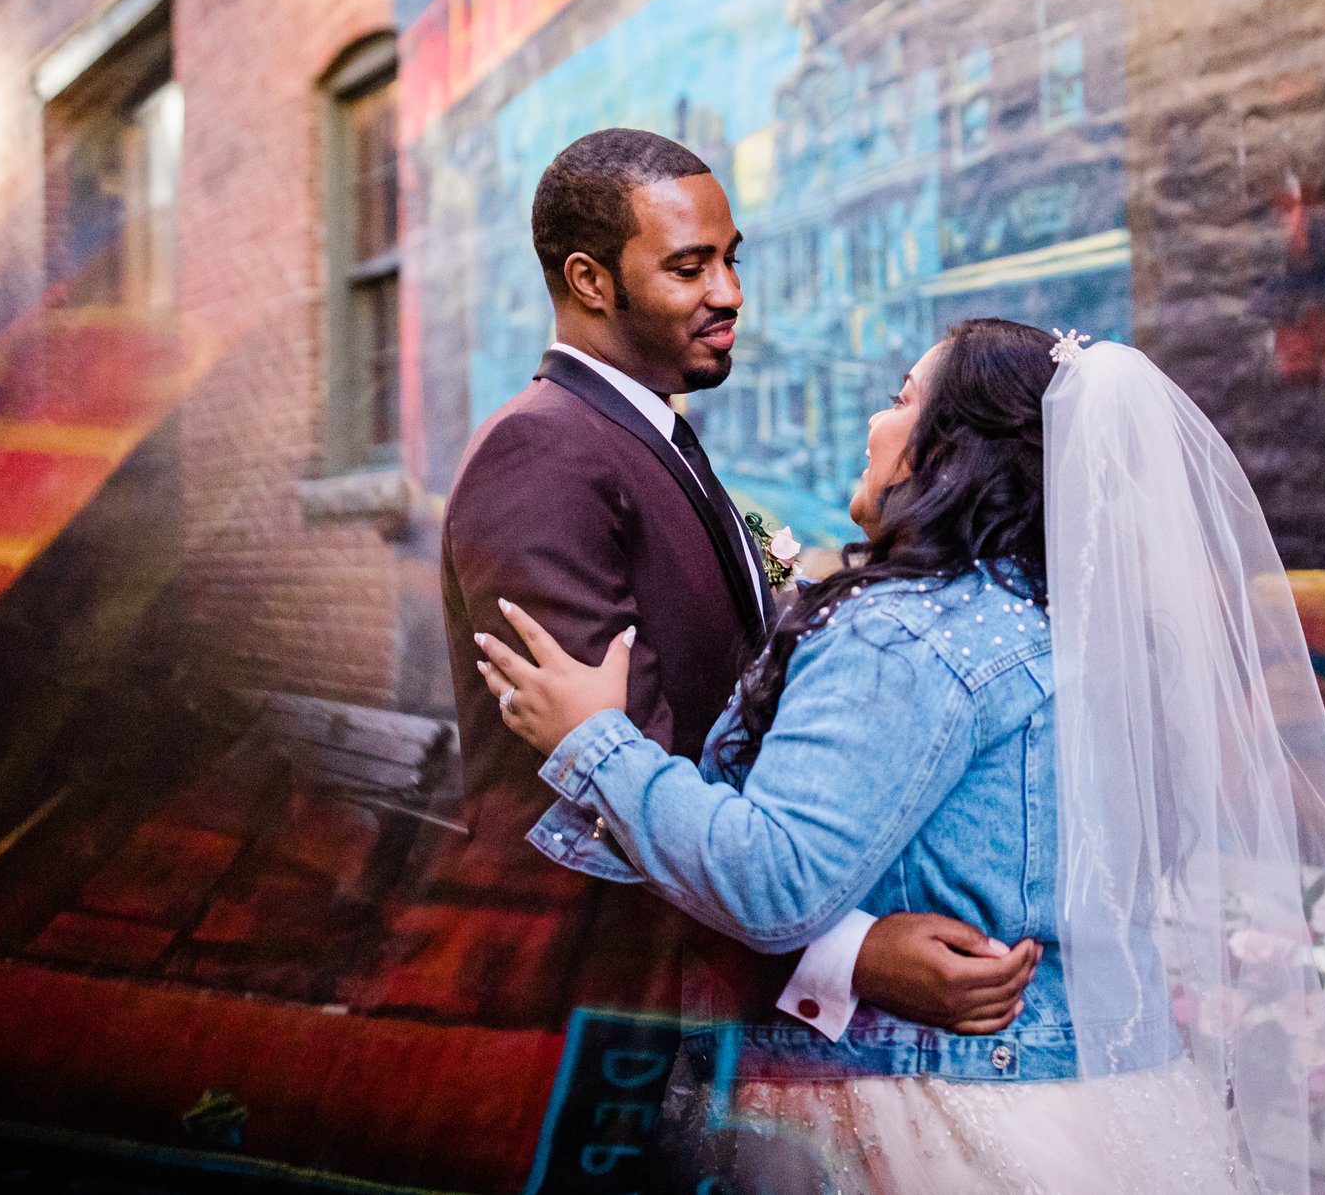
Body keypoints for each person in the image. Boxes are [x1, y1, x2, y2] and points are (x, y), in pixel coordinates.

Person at [473, 318, 1325, 1195]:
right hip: (1085, 1096)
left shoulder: (911, 632)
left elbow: (774, 878)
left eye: (900, 397)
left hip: (919, 1106)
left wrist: (595, 740)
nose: (875, 421)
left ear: (947, 450)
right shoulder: (1070, 625)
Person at [440, 130, 1042, 1053]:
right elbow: (595, 775)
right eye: (690, 266)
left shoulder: (652, 437)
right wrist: (844, 954)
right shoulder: (544, 454)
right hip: (597, 1004)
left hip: (688, 994)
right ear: (591, 281)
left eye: (730, 259)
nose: (730, 293)